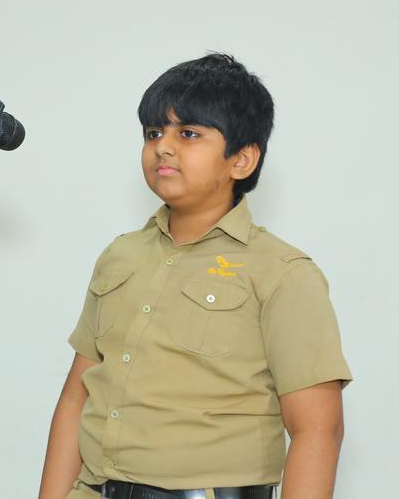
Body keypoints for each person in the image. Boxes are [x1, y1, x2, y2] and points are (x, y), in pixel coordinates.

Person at [38, 54, 351, 499]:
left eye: (188, 133)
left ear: (241, 160)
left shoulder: (283, 273)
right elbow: (76, 397)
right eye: (153, 133)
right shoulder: (120, 256)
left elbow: (318, 429)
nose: (163, 147)